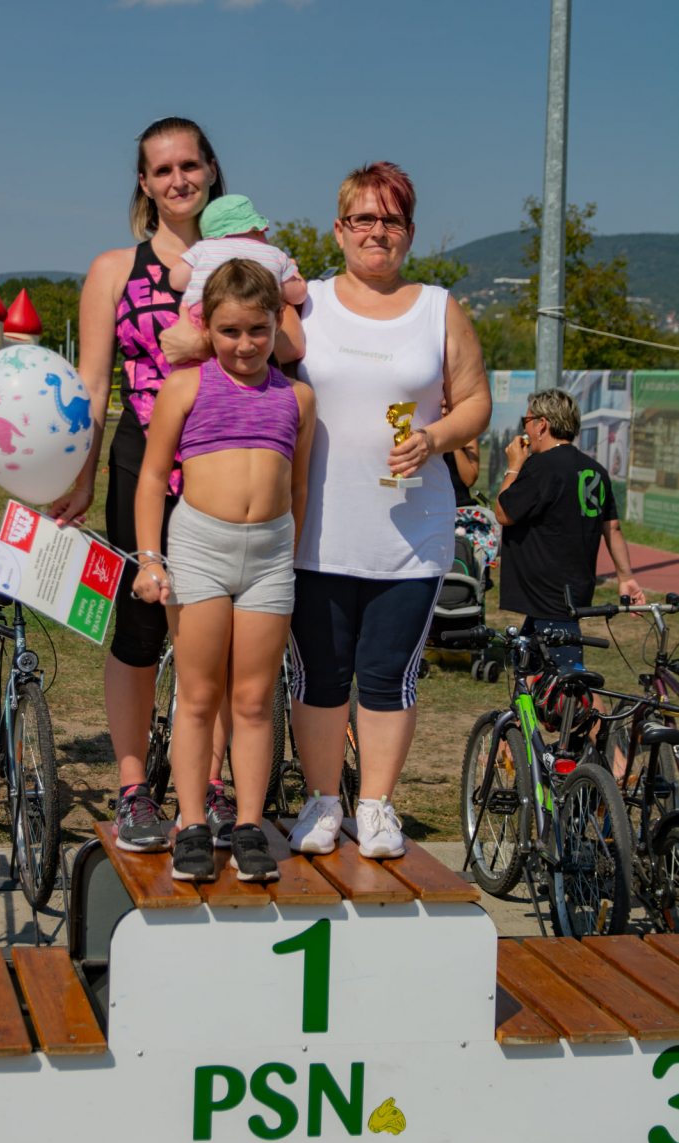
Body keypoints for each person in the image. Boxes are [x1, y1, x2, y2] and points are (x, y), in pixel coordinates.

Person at [48, 117, 303, 854]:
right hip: (147, 462)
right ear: (144, 183)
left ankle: (213, 786)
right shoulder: (114, 269)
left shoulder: (251, 255)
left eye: (189, 165)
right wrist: (82, 476)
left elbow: (290, 343)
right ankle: (134, 786)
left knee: (222, 645)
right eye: (162, 170)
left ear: (211, 168)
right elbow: (93, 383)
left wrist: (200, 340)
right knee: (139, 627)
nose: (178, 180)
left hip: (237, 463)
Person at [288, 161, 492, 860]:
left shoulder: (438, 308)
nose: (377, 231)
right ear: (339, 229)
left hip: (410, 534)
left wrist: (435, 437)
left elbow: (476, 403)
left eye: (392, 219)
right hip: (314, 532)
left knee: (387, 675)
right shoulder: (305, 305)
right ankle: (322, 802)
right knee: (318, 675)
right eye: (364, 219)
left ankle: (374, 806)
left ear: (409, 231)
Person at [132, 259, 316, 882]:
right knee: (198, 695)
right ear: (206, 326)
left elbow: (298, 486)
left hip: (269, 558)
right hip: (199, 552)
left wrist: (288, 556)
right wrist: (149, 558)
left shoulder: (297, 398)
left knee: (256, 700)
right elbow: (152, 478)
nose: (245, 344)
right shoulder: (186, 387)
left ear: (278, 325)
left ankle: (248, 826)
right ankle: (190, 824)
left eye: (258, 330)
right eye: (229, 331)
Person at [495, 387, 646, 663]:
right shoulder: (596, 470)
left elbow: (503, 512)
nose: (524, 429)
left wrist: (514, 466)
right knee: (526, 668)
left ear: (542, 424)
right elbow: (612, 528)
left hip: (547, 594)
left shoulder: (540, 466)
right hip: (570, 591)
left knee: (567, 676)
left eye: (526, 421)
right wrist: (626, 578)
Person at [169, 194, 307, 327]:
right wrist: (292, 268)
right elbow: (299, 295)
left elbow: (177, 281)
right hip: (255, 322)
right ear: (258, 230)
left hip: (205, 320)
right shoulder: (274, 254)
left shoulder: (203, 249)